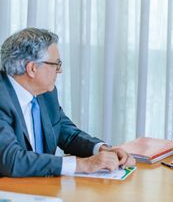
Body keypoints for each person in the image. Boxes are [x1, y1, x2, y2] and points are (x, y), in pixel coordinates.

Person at [0, 28, 135, 177]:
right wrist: (82, 164)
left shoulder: (46, 93)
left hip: (39, 188)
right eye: (56, 64)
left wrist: (101, 149)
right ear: (32, 68)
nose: (60, 70)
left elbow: (66, 132)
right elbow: (11, 160)